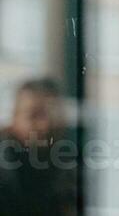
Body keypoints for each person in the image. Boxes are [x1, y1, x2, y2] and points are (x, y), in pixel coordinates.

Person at [0, 78, 77, 216]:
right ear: (13, 119)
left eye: (52, 115)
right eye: (33, 116)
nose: (45, 125)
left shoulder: (69, 161)